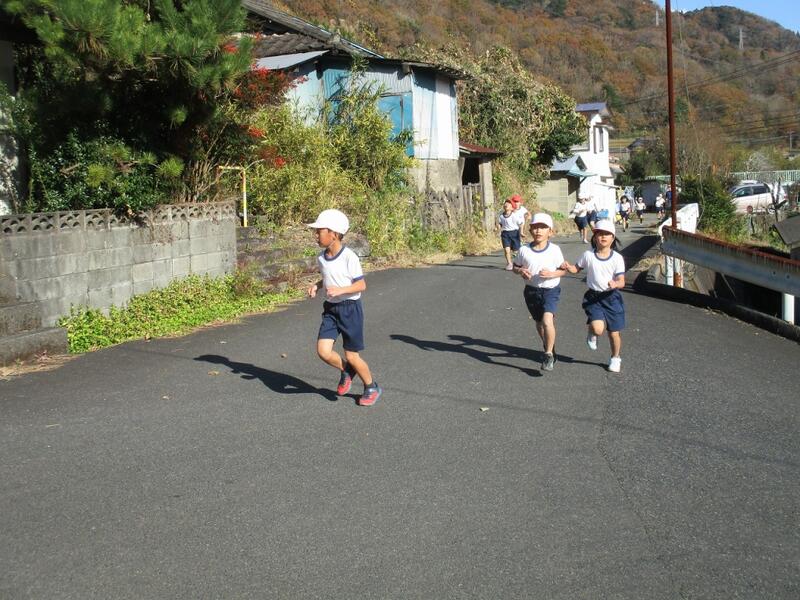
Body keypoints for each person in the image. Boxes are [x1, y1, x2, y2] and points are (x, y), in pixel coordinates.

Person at [306, 209, 382, 406]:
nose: (316, 235)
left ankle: (371, 386)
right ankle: (347, 370)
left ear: (333, 233)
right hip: (331, 310)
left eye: (319, 231)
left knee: (352, 356)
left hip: (350, 309)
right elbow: (328, 278)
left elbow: (361, 285)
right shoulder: (321, 258)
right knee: (323, 351)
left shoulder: (349, 257)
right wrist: (317, 285)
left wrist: (341, 290)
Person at [561, 219, 626, 373]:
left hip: (612, 298)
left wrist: (615, 284)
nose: (603, 237)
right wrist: (568, 267)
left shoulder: (617, 258)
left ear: (613, 238)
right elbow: (576, 269)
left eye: (607, 234)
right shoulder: (588, 255)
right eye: (599, 234)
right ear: (594, 237)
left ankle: (615, 358)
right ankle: (592, 333)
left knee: (614, 332)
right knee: (598, 329)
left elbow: (622, 281)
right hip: (593, 298)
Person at [512, 213, 566, 372]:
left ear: (550, 232)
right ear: (530, 230)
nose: (538, 230)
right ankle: (549, 347)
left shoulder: (555, 250)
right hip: (531, 291)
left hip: (551, 290)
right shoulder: (524, 250)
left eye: (543, 227)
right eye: (535, 227)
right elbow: (515, 267)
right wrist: (521, 271)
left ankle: (548, 354)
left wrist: (552, 274)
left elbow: (563, 270)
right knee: (539, 323)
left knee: (547, 320)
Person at [498, 199, 524, 270]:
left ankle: (520, 262)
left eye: (508, 204)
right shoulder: (501, 216)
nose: (506, 204)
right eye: (505, 203)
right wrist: (498, 229)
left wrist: (521, 232)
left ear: (512, 207)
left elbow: (521, 223)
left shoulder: (514, 215)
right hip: (505, 234)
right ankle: (509, 263)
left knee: (516, 251)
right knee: (507, 250)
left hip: (514, 233)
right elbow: (500, 223)